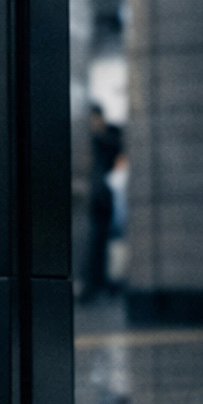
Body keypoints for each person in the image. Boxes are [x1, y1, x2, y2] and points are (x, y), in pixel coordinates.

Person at [82, 102, 125, 301]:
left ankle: (100, 284)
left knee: (102, 243)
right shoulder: (98, 138)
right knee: (96, 243)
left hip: (107, 197)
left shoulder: (108, 136)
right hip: (98, 199)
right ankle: (98, 283)